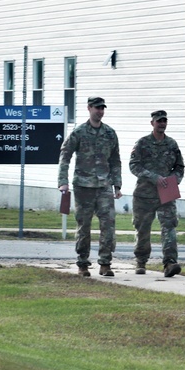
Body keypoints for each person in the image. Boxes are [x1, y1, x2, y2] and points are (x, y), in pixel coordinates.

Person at [58, 96, 122, 277]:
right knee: (84, 226)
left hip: (103, 186)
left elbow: (115, 160)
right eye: (97, 108)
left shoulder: (110, 133)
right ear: (89, 108)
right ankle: (83, 263)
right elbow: (65, 155)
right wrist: (63, 181)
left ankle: (105, 263)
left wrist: (117, 184)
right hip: (83, 186)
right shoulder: (79, 132)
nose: (100, 111)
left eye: (102, 108)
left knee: (108, 225)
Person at [128, 109, 185, 277]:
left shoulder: (172, 144)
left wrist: (174, 180)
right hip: (144, 194)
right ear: (152, 123)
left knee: (169, 227)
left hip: (166, 194)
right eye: (159, 121)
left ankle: (170, 263)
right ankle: (141, 261)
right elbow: (134, 165)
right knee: (143, 228)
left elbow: (179, 167)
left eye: (164, 121)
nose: (162, 124)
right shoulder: (142, 143)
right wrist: (153, 177)